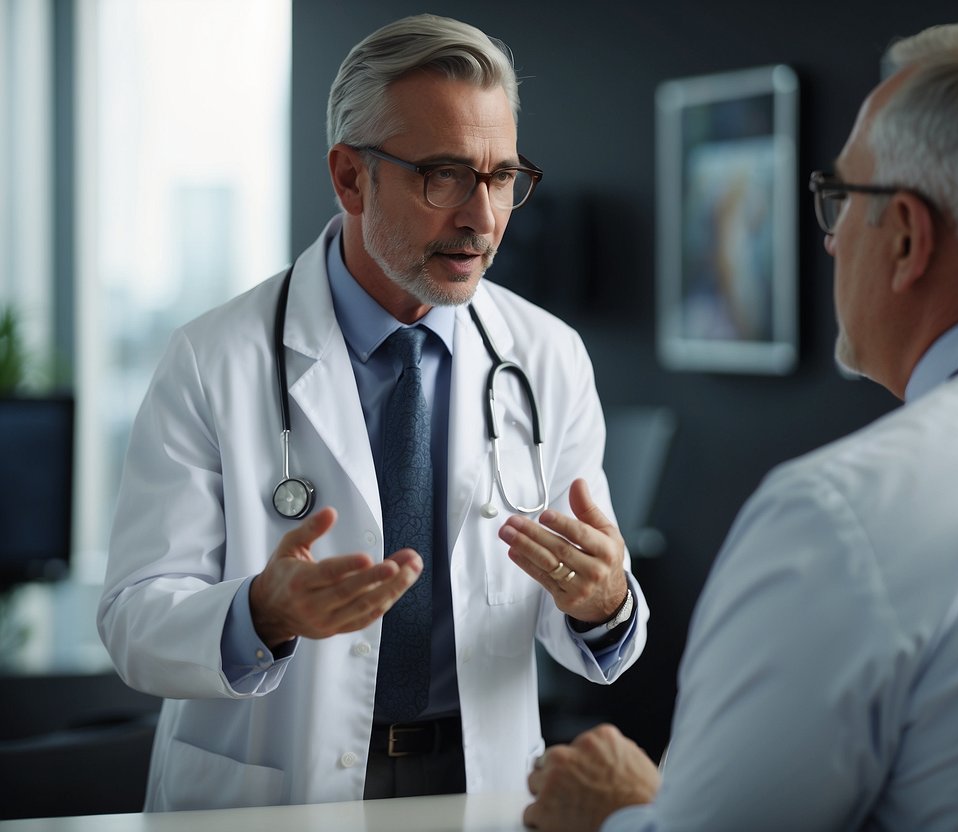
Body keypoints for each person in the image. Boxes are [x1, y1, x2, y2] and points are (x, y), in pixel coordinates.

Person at [520, 19, 958, 832]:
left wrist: (619, 813)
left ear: (908, 238)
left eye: (841, 199)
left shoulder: (841, 515)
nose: (827, 237)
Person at [97, 13, 648, 811]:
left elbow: (586, 618)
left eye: (499, 178)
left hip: (481, 780)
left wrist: (602, 602)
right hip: (273, 793)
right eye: (444, 175)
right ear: (351, 178)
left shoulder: (546, 356)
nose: (481, 218)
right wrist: (262, 611)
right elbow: (133, 619)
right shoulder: (212, 359)